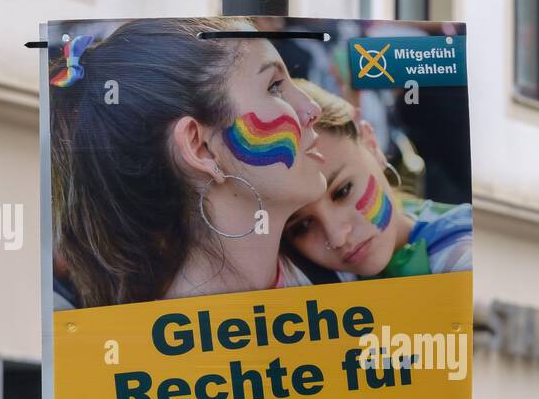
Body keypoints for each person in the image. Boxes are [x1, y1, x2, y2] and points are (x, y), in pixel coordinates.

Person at [49, 17, 329, 307]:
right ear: (200, 147)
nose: (313, 109)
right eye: (274, 86)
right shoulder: (180, 344)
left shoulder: (337, 262)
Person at [281, 80, 471, 282]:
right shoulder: (300, 272)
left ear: (372, 145)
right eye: (302, 226)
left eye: (343, 191)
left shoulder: (461, 253)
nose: (338, 237)